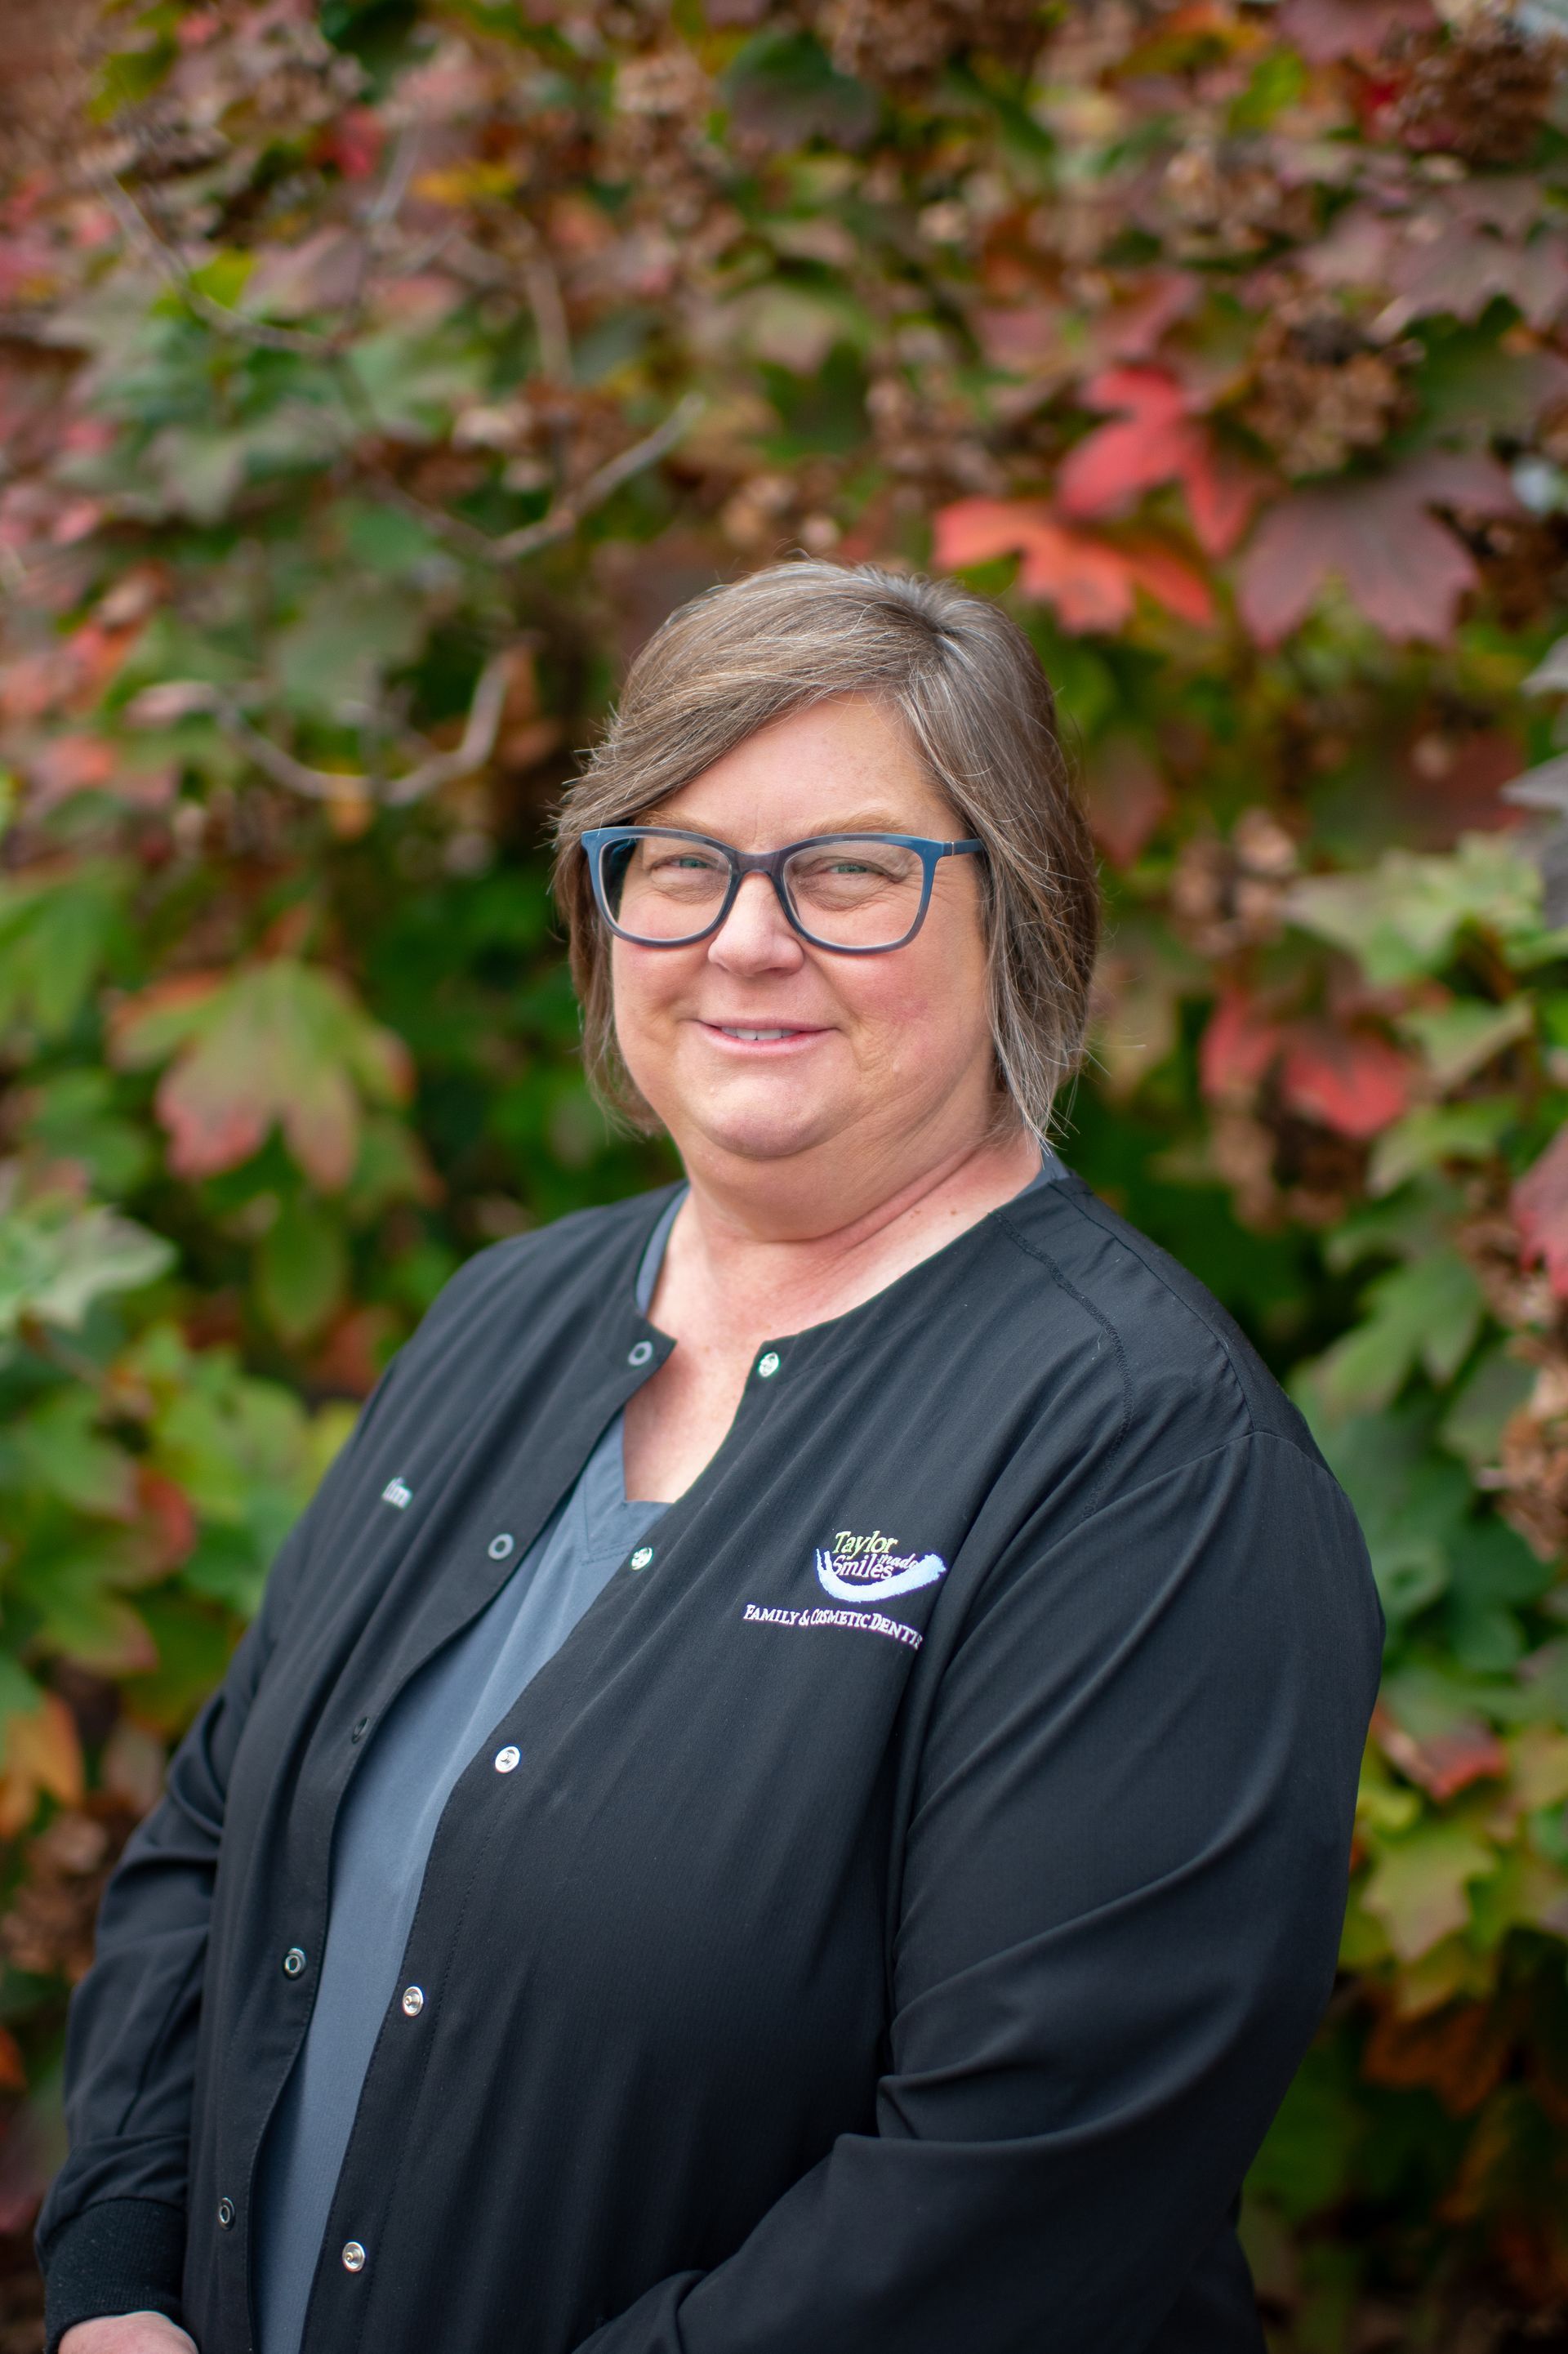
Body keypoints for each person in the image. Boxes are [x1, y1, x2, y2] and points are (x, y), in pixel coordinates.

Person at [39, 560, 1382, 2354]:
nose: (749, 938)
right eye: (679, 864)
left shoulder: (1145, 1458)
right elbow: (219, 1837)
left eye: (848, 871)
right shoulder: (508, 1317)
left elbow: (1023, 2185)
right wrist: (119, 2279)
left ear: (1022, 915)